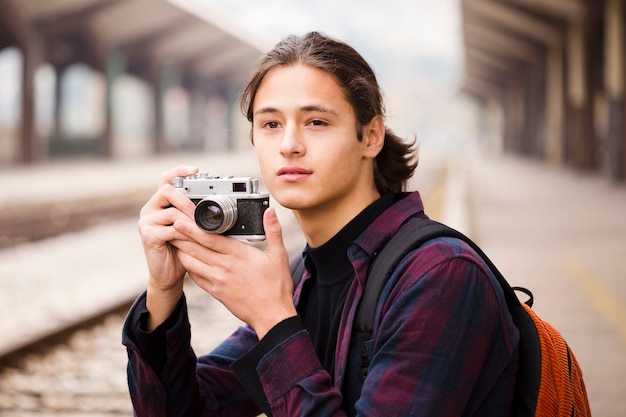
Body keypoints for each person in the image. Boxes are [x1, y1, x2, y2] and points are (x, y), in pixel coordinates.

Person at [122, 31, 519, 416]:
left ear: (371, 137)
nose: (289, 144)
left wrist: (272, 318)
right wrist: (164, 291)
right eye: (271, 124)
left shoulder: (439, 276)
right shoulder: (304, 277)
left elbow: (277, 325)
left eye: (316, 122)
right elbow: (190, 408)